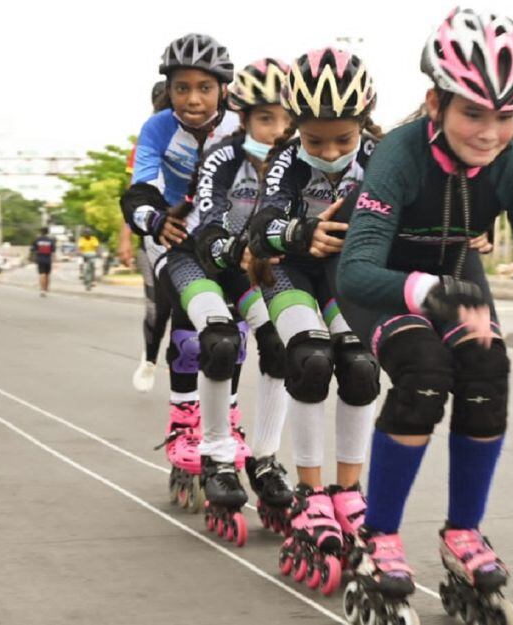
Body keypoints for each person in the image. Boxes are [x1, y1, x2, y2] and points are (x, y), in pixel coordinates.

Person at [335, 9, 513, 622]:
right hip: (385, 285)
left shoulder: (510, 162)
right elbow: (355, 272)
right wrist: (429, 292)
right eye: (473, 113)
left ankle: (463, 533)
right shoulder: (399, 155)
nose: (489, 133)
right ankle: (377, 537)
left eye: (505, 117)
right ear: (436, 102)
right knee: (424, 369)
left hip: (453, 280)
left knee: (487, 367)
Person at [244, 47, 383, 594]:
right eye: (315, 139)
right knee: (310, 359)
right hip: (292, 272)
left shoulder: (379, 156)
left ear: (363, 125)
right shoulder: (285, 160)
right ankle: (311, 493)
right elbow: (261, 224)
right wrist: (300, 233)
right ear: (296, 126)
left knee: (361, 369)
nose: (328, 151)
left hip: (346, 275)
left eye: (342, 140)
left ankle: (349, 493)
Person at [165, 58, 295, 535]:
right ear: (243, 119)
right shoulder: (223, 156)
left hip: (249, 268)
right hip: (200, 259)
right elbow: (213, 219)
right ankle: (218, 457)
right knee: (219, 341)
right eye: (266, 118)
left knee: (282, 347)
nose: (279, 129)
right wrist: (242, 248)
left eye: (286, 118)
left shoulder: (300, 160)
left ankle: (264, 459)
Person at [120, 33, 242, 513]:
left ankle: (224, 423)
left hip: (230, 242)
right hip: (174, 235)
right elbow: (143, 184)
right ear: (167, 90)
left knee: (231, 340)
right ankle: (183, 424)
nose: (193, 99)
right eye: (182, 87)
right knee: (189, 334)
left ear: (224, 91)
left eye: (205, 88)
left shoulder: (239, 126)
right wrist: (153, 219)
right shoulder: (156, 128)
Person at [123, 79, 173, 392]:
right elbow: (134, 195)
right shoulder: (147, 142)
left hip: (193, 231)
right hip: (152, 232)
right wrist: (126, 238)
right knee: (157, 306)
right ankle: (151, 358)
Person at [30, 226, 56, 296]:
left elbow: (32, 250)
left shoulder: (37, 240)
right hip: (48, 259)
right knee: (47, 274)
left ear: (41, 232)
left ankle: (42, 290)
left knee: (42, 274)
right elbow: (53, 251)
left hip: (40, 259)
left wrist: (31, 258)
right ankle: (46, 288)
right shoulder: (51, 240)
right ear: (48, 232)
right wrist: (54, 260)